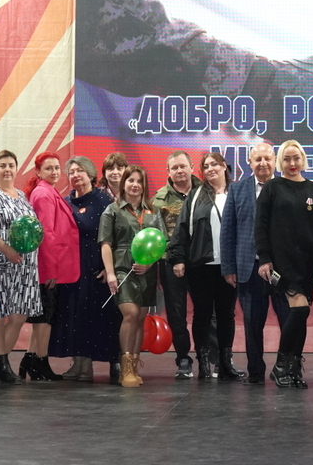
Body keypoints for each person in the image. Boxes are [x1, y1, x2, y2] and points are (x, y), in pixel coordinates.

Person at [254, 140, 313, 388]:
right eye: (286, 159)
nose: (292, 163)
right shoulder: (272, 187)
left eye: (296, 158)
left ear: (303, 159)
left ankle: (293, 368)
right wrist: (264, 258)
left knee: (301, 314)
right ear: (280, 162)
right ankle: (280, 366)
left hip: (307, 263)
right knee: (300, 310)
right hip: (281, 263)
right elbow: (260, 226)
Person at [168, 152, 244, 381]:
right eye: (206, 166)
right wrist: (178, 258)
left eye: (214, 164)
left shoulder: (237, 192)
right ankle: (203, 364)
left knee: (226, 314)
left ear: (224, 167)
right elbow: (181, 229)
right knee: (202, 314)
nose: (210, 169)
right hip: (200, 265)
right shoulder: (195, 196)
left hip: (229, 266)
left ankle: (225, 362)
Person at [221, 143, 291, 384]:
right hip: (248, 268)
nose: (263, 163)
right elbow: (228, 230)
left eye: (267, 158)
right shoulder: (237, 189)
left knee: (288, 320)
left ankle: (285, 368)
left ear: (275, 161)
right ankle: (256, 372)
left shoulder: (286, 187)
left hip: (281, 269)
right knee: (252, 323)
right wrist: (228, 267)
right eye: (258, 159)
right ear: (250, 162)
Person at [0, 150, 41, 384]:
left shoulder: (21, 195)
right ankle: (2, 365)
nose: (7, 169)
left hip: (24, 267)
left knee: (19, 315)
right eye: (2, 165)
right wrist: (6, 249)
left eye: (11, 165)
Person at [51, 156, 121, 382]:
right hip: (71, 268)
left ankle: (91, 364)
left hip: (96, 268)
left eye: (80, 170)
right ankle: (79, 364)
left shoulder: (103, 201)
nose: (75, 175)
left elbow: (115, 235)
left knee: (93, 317)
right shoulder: (65, 202)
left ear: (91, 174)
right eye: (71, 172)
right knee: (74, 316)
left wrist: (108, 267)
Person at [100, 165, 166, 387]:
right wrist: (111, 274)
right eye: (131, 180)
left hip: (147, 272)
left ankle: (134, 368)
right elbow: (106, 244)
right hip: (122, 269)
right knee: (131, 314)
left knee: (139, 319)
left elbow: (162, 243)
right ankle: (125, 368)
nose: (135, 185)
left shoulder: (154, 211)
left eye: (139, 181)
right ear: (124, 183)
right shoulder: (112, 210)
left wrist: (149, 264)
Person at [21, 152, 80, 381]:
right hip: (47, 267)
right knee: (45, 319)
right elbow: (46, 233)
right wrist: (51, 270)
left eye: (57, 168)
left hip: (49, 266)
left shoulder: (47, 191)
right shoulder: (44, 194)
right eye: (49, 168)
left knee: (42, 318)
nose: (55, 172)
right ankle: (40, 363)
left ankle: (30, 359)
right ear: (38, 172)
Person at [152, 151, 201, 379]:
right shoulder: (159, 199)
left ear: (192, 168)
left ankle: (209, 357)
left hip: (202, 262)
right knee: (176, 313)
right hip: (171, 263)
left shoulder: (206, 191)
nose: (179, 171)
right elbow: (156, 235)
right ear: (168, 172)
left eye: (183, 166)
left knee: (207, 312)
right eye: (174, 168)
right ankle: (183, 358)